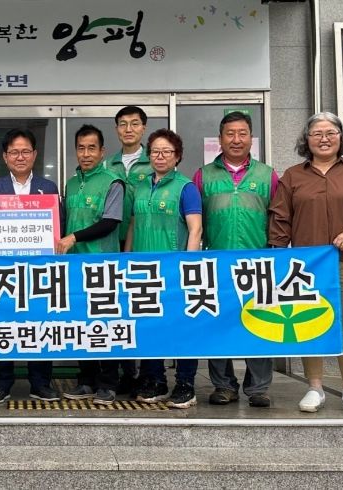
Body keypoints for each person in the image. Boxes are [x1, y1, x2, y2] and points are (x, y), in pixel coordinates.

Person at [269, 112, 343, 415]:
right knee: (309, 321)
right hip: (306, 266)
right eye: (317, 133)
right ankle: (314, 387)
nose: (324, 139)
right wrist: (278, 257)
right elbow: (280, 218)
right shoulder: (293, 176)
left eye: (330, 133)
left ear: (341, 137)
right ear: (307, 140)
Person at [192, 111, 278, 408]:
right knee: (219, 325)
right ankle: (223, 386)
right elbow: (194, 221)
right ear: (220, 139)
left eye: (242, 133)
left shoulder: (268, 175)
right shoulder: (204, 175)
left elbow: (278, 218)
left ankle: (258, 388)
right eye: (230, 134)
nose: (236, 139)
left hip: (258, 263)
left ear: (251, 138)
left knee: (260, 324)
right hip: (216, 263)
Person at [124, 129, 202, 409]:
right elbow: (133, 224)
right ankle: (155, 380)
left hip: (174, 271)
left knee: (181, 328)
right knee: (150, 326)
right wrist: (126, 259)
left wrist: (188, 267)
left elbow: (195, 229)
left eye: (166, 152)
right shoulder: (141, 186)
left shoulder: (186, 188)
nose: (160, 156)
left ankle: (185, 384)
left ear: (177, 156)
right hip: (143, 272)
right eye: (155, 151)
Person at [0, 128, 60, 404]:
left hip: (39, 271)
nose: (20, 157)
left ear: (35, 155)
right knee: (1, 324)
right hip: (3, 271)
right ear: (5, 157)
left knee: (40, 324)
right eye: (14, 152)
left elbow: (58, 228)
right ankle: (2, 382)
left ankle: (40, 383)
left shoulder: (48, 188)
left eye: (25, 151)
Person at [57, 124, 124, 406]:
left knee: (104, 325)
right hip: (74, 267)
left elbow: (110, 222)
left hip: (102, 265)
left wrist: (74, 237)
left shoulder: (113, 182)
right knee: (81, 325)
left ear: (102, 151)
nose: (86, 154)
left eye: (91, 148)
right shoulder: (71, 183)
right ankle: (86, 380)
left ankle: (107, 383)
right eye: (81, 148)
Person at [104, 105, 150, 395]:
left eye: (134, 123)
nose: (128, 129)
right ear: (116, 129)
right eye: (123, 124)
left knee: (142, 309)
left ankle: (146, 375)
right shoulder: (107, 165)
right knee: (115, 312)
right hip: (110, 244)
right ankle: (123, 372)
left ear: (143, 128)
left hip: (143, 246)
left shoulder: (154, 161)